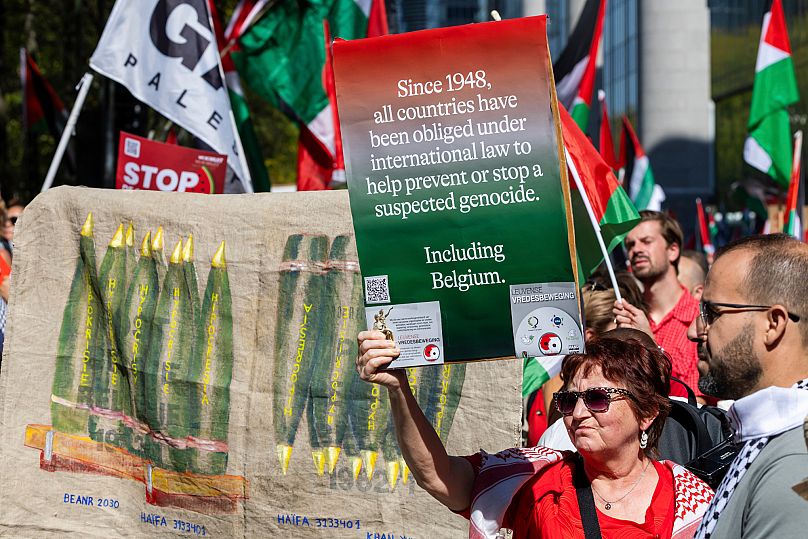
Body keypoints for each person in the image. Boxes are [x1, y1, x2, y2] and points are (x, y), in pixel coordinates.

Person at [357, 333, 713, 538]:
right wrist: (398, 387)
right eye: (569, 399)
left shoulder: (694, 502)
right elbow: (437, 477)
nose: (578, 411)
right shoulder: (535, 475)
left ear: (647, 413)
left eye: (597, 398)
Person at [687, 234, 808, 539]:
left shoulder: (797, 463)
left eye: (712, 313)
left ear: (773, 323)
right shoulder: (777, 436)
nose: (693, 331)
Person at [614, 211, 702, 401]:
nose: (636, 250)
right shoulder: (624, 318)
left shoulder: (699, 318)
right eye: (630, 244)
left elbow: (697, 403)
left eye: (646, 241)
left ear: (673, 250)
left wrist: (650, 345)